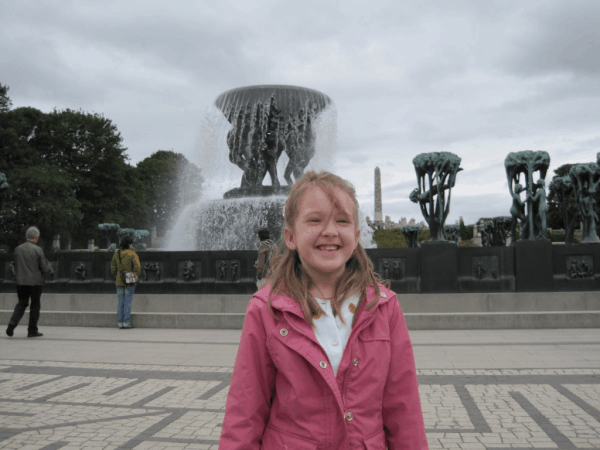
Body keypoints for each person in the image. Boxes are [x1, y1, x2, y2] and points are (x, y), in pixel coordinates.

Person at [220, 171, 428, 449]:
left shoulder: (385, 307)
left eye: (342, 221)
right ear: (290, 237)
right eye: (315, 220)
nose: (330, 231)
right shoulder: (265, 309)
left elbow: (404, 408)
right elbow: (245, 410)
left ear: (355, 237)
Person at [6, 227, 51, 338]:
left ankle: (12, 323)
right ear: (35, 237)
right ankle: (32, 330)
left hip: (21, 282)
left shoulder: (17, 249)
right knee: (35, 305)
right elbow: (44, 268)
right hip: (35, 283)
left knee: (21, 303)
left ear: (27, 236)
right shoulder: (38, 249)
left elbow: (15, 265)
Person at [110, 235, 141, 329]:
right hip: (130, 278)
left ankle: (120, 322)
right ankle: (126, 322)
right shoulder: (132, 254)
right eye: (131, 244)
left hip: (119, 279)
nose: (132, 245)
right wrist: (136, 275)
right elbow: (137, 268)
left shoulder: (117, 254)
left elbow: (113, 269)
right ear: (129, 244)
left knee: (120, 301)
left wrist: (117, 275)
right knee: (128, 301)